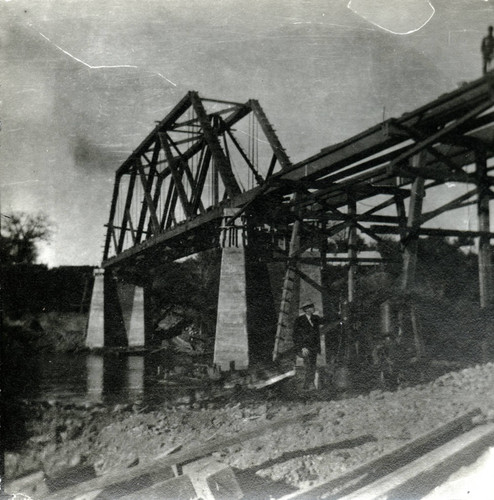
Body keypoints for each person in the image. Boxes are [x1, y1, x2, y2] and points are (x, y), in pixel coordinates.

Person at [293, 300, 323, 390]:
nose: (314, 308)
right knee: (308, 365)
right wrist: (302, 347)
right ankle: (308, 385)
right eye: (312, 307)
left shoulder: (315, 318)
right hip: (305, 348)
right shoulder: (299, 320)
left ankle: (308, 385)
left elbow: (325, 320)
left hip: (314, 347)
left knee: (312, 366)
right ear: (307, 309)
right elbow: (296, 335)